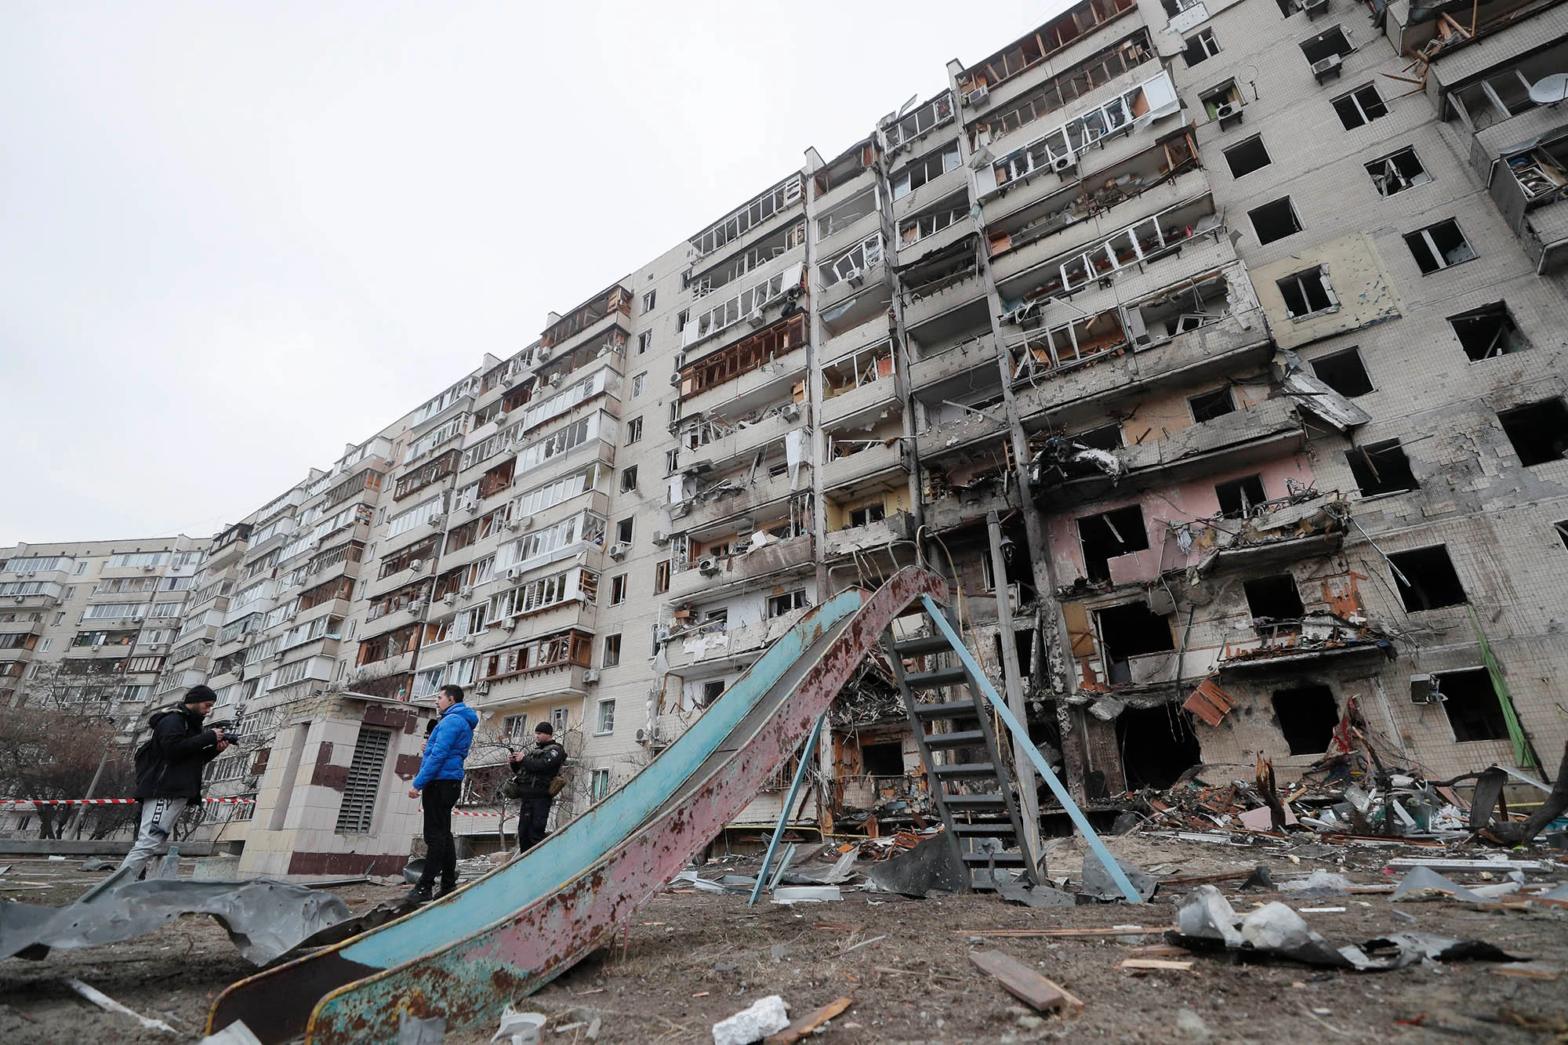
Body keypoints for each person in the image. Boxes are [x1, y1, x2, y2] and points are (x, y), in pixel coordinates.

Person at [118, 685, 229, 880]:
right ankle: (114, 887)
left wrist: (214, 749)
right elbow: (172, 749)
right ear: (193, 701)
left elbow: (190, 759)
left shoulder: (189, 723)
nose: (208, 710)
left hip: (175, 791)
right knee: (148, 843)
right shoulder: (173, 720)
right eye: (207, 705)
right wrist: (208, 737)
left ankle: (138, 884)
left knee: (154, 843)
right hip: (164, 790)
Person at [407, 683, 477, 903]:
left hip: (440, 782)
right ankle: (447, 884)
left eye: (439, 697)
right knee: (444, 835)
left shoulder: (451, 721)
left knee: (434, 837)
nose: (436, 701)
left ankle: (424, 887)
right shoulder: (458, 721)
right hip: (448, 781)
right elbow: (441, 751)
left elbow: (438, 756)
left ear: (451, 700)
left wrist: (418, 783)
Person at [509, 721, 566, 852]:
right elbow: (523, 772)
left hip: (540, 798)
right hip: (527, 798)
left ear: (548, 734)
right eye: (536, 733)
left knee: (536, 834)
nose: (537, 736)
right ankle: (525, 862)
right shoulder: (535, 751)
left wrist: (524, 759)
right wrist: (514, 763)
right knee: (523, 834)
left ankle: (538, 863)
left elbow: (541, 766)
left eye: (539, 733)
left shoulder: (555, 751)